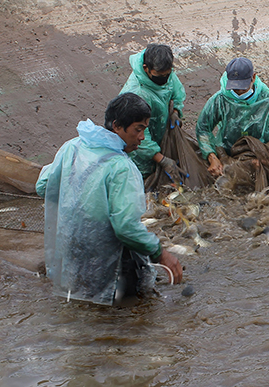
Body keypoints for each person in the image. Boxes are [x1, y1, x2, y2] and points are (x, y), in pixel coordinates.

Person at [36, 93, 182, 306]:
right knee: (127, 318)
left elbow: (43, 186)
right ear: (117, 126)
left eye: (144, 129)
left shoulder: (73, 147)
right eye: (137, 129)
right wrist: (160, 253)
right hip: (108, 262)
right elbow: (125, 228)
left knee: (81, 308)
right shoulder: (122, 168)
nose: (142, 137)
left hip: (72, 253)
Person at [196, 57, 269, 177]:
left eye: (243, 87)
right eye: (235, 88)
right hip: (228, 153)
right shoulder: (220, 100)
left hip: (260, 155)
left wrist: (267, 157)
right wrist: (212, 156)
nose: (239, 91)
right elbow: (203, 128)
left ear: (254, 77)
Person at [120, 44, 187, 181]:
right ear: (146, 68)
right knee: (143, 177)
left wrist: (175, 111)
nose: (164, 79)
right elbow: (137, 134)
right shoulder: (137, 93)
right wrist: (162, 160)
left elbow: (177, 92)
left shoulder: (167, 74)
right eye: (159, 76)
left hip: (158, 129)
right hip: (138, 148)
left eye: (167, 75)